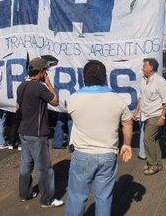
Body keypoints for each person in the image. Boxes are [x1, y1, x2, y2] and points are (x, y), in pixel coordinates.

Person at [65, 60, 133, 216]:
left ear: (84, 77)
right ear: (105, 77)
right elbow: (128, 122)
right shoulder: (118, 100)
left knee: (77, 197)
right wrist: (127, 144)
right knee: (104, 198)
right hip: (108, 155)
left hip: (82, 155)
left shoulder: (73, 99)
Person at [16, 57, 63, 207]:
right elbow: (56, 101)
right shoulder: (39, 87)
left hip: (23, 131)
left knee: (26, 165)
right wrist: (49, 83)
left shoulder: (22, 85)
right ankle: (47, 199)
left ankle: (25, 193)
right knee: (44, 168)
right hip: (37, 133)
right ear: (41, 72)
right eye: (45, 71)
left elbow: (18, 105)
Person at [133, 58, 166, 175]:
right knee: (154, 140)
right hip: (145, 114)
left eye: (144, 66)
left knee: (147, 139)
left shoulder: (160, 81)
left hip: (156, 114)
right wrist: (136, 111)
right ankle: (157, 163)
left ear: (151, 68)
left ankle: (152, 164)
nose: (142, 68)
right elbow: (141, 97)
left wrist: (162, 117)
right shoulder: (143, 80)